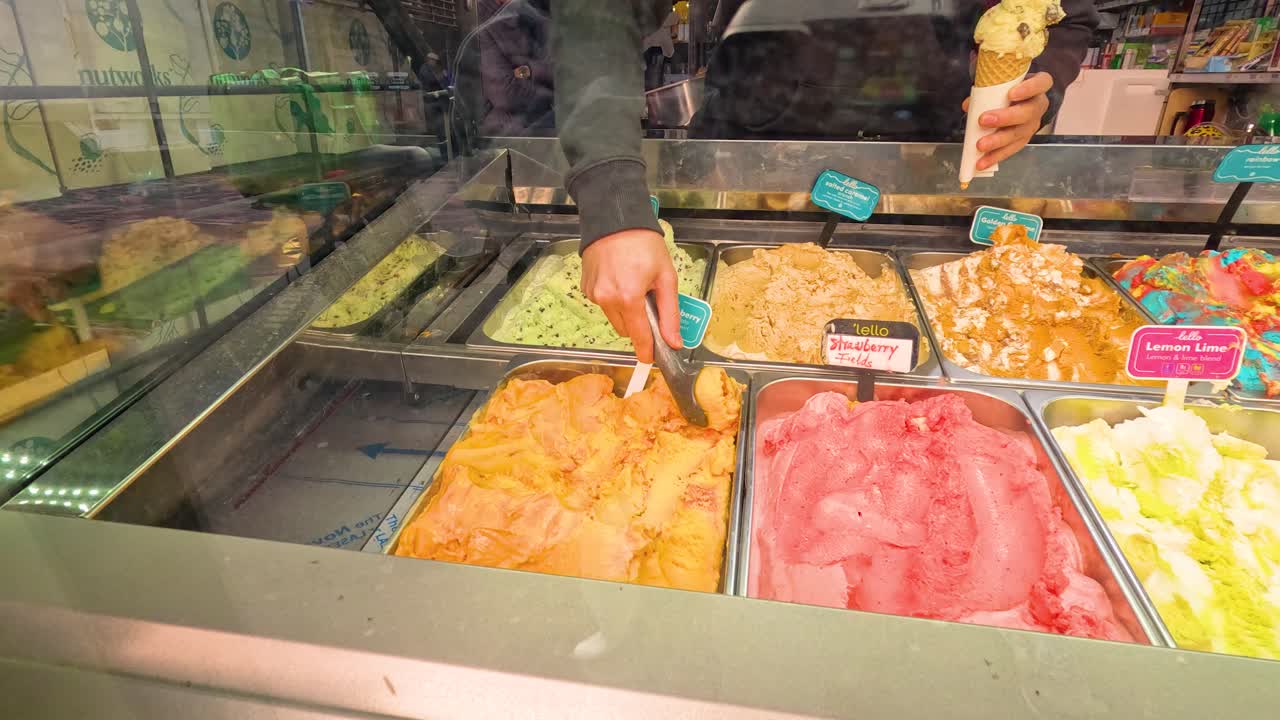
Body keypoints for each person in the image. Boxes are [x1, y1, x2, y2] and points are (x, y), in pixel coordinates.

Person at [551, 0, 1098, 362]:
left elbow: (1067, 15)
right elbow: (599, 11)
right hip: (742, 168)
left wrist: (1027, 86)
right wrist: (612, 199)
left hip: (931, 177)